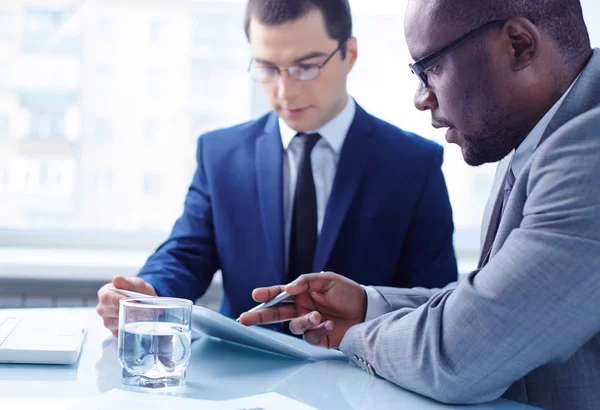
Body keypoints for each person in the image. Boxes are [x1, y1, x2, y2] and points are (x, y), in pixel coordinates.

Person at [240, 0, 600, 408]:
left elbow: (461, 355)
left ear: (518, 45)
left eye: (430, 67)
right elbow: (496, 299)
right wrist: (367, 306)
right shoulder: (541, 137)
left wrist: (351, 336)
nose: (421, 98)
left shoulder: (590, 152)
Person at [96, 0, 458, 337]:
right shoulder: (220, 154)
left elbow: (436, 301)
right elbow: (185, 253)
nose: (285, 92)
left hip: (362, 380)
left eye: (306, 66)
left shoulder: (414, 163)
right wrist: (150, 292)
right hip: (245, 379)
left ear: (349, 55)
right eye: (268, 68)